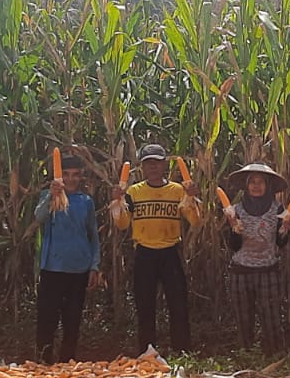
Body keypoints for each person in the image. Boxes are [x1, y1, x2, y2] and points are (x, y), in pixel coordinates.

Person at [112, 143, 201, 354]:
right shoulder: (134, 192)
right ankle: (147, 351)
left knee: (178, 304)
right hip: (144, 252)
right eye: (148, 162)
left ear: (164, 165)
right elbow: (122, 224)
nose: (153, 166)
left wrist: (191, 197)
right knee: (145, 305)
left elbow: (195, 221)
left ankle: (182, 351)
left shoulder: (177, 190)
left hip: (170, 251)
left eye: (157, 162)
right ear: (142, 166)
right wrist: (117, 202)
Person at [32, 152, 102, 363]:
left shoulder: (86, 201)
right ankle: (44, 361)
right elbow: (39, 217)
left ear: (81, 177)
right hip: (52, 267)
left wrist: (94, 266)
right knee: (47, 318)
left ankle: (67, 361)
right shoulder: (48, 196)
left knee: (72, 319)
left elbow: (93, 234)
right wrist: (52, 196)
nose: (71, 179)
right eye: (67, 174)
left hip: (78, 268)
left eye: (76, 174)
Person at [221, 163, 290, 354]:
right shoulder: (235, 210)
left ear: (268, 185)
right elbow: (234, 246)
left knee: (271, 315)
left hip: (268, 269)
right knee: (243, 316)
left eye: (261, 182)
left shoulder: (278, 209)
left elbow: (281, 243)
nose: (256, 185)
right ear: (246, 185)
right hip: (241, 269)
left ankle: (274, 353)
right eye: (252, 181)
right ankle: (246, 353)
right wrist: (233, 226)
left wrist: (285, 228)